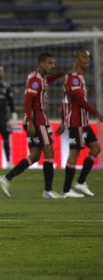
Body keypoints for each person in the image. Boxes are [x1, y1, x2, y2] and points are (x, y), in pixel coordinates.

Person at [0, 53, 64, 199]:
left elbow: (49, 80)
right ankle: (48, 190)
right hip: (38, 122)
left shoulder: (40, 78)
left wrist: (62, 73)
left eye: (53, 63)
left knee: (34, 155)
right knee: (49, 151)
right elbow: (27, 101)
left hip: (34, 121)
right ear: (41, 64)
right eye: (49, 63)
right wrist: (31, 123)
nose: (52, 65)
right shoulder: (35, 80)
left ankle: (6, 178)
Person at [58, 48, 103, 198]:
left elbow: (65, 101)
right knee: (74, 153)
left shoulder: (79, 77)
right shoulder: (74, 78)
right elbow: (80, 101)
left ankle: (81, 182)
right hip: (76, 122)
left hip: (83, 122)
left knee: (96, 149)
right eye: (84, 57)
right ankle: (66, 190)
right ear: (76, 58)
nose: (87, 60)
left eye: (88, 58)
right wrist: (97, 114)